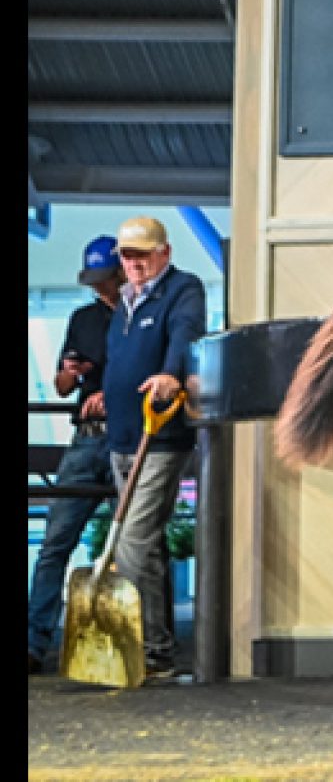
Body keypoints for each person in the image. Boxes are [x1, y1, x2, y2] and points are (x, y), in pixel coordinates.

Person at [102, 215, 207, 676]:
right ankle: (157, 647)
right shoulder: (123, 303)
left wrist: (170, 373)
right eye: (128, 255)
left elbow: (186, 333)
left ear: (164, 253)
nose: (135, 263)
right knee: (149, 548)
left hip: (160, 436)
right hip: (123, 435)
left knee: (132, 542)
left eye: (144, 254)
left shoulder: (183, 289)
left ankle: (147, 650)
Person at [26, 236, 122, 674]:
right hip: (86, 437)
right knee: (55, 542)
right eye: (94, 282)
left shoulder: (141, 315)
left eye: (105, 279)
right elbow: (63, 386)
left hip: (127, 434)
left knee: (137, 544)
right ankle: (34, 639)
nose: (100, 289)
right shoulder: (83, 319)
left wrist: (110, 391)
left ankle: (142, 641)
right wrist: (70, 374)